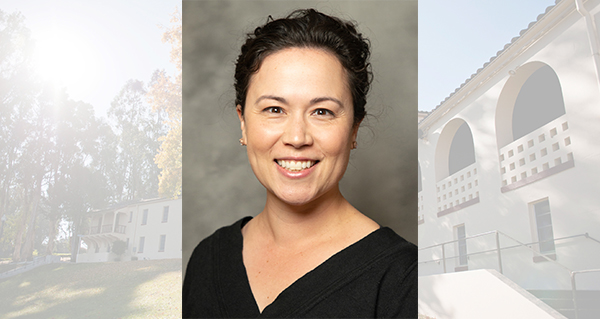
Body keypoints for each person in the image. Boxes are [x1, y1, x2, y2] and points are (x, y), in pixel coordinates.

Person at [183, 8, 417, 318]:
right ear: (243, 123)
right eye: (274, 110)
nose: (296, 137)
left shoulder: (404, 279)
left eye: (322, 112)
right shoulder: (207, 259)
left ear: (354, 129)